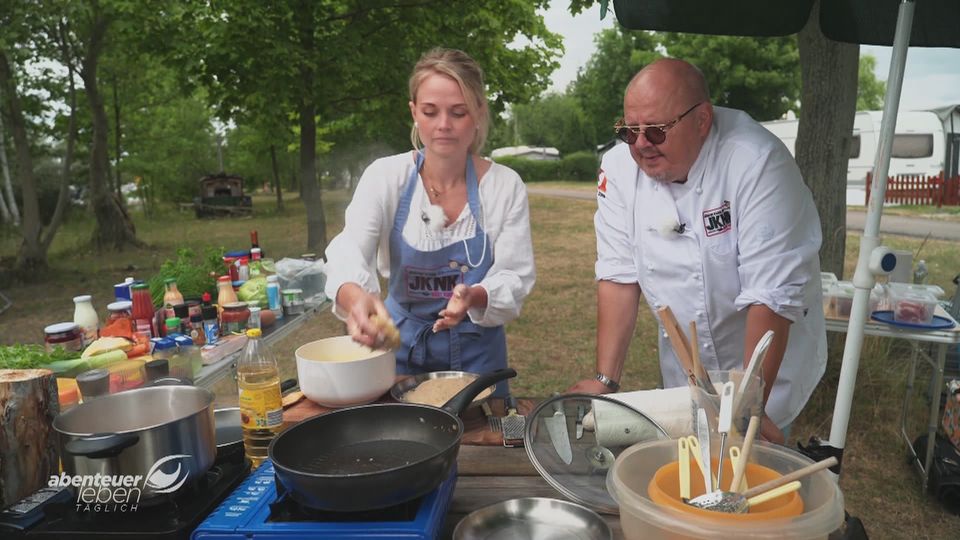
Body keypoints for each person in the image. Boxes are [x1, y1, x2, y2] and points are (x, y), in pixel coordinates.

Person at [568, 59, 827, 442]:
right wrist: (606, 379)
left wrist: (747, 407)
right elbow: (619, 274)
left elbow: (770, 297)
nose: (640, 145)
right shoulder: (619, 168)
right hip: (685, 377)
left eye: (656, 131)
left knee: (748, 481)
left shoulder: (756, 162)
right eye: (629, 131)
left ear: (702, 120)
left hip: (767, 371)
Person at [324, 48, 535, 395]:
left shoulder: (503, 186)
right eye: (430, 111)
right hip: (399, 353)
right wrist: (354, 297)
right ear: (414, 113)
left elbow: (515, 276)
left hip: (478, 357)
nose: (443, 126)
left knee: (485, 446)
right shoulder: (386, 177)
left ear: (479, 112)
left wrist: (475, 295)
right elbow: (349, 248)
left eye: (458, 112)